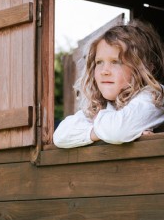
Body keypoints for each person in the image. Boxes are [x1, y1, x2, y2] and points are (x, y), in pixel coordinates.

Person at [53, 19, 164, 148]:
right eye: (99, 62)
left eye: (115, 62)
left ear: (146, 68)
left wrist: (99, 127)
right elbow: (60, 136)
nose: (104, 71)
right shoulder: (104, 105)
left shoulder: (154, 96)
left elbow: (116, 131)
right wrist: (99, 132)